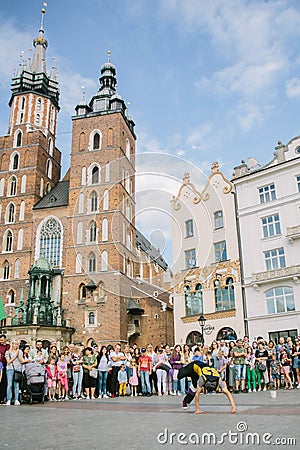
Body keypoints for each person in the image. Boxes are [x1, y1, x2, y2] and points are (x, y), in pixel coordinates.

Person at [5, 340, 23, 406]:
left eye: (17, 344)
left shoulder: (20, 352)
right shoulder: (8, 352)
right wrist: (15, 356)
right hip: (10, 369)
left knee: (16, 385)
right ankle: (8, 399)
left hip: (18, 369)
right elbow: (8, 361)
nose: (16, 346)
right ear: (12, 344)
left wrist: (19, 356)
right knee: (9, 384)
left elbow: (21, 361)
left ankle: (16, 399)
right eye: (15, 344)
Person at [0, 334, 10, 403]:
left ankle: (3, 397)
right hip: (0, 366)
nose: (0, 341)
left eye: (2, 340)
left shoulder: (8, 346)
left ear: (5, 339)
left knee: (4, 382)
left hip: (6, 366)